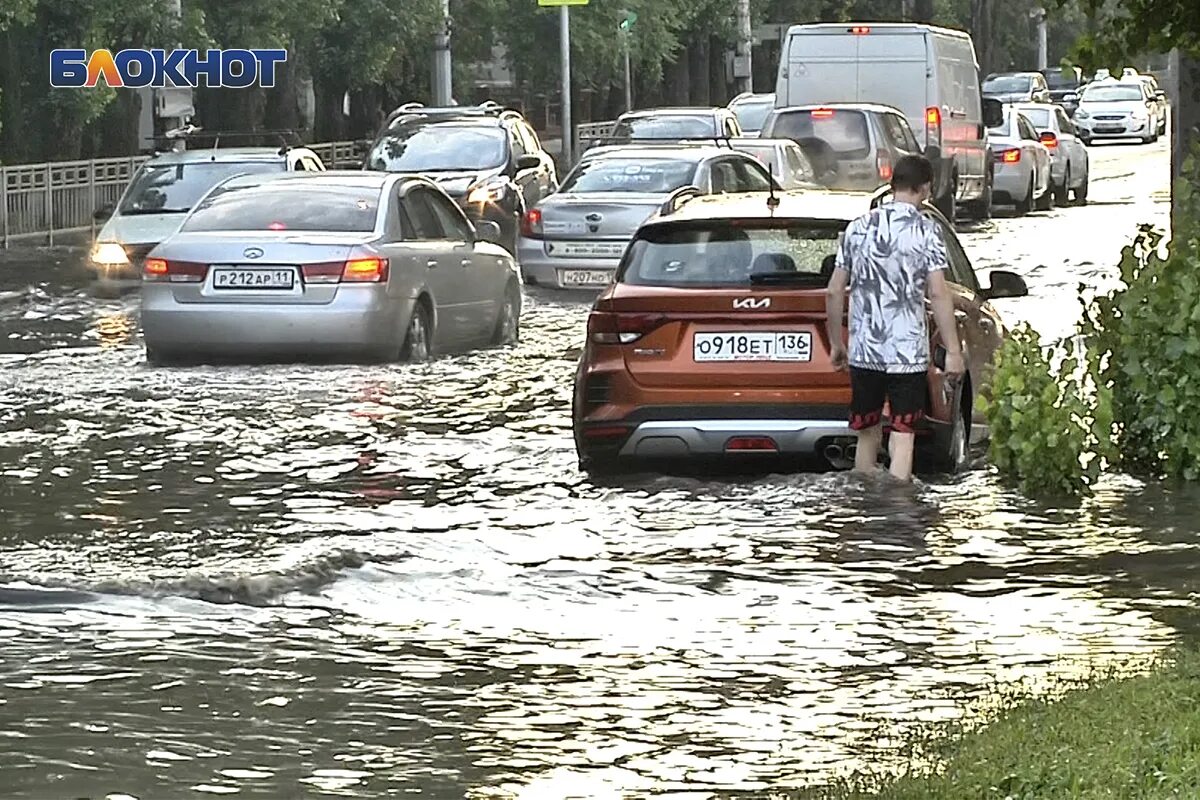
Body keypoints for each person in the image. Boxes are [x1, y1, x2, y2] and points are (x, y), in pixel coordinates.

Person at [824, 154, 965, 482]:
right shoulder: (926, 232)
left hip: (864, 352)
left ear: (892, 185)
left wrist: (836, 343)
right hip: (907, 354)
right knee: (903, 433)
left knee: (867, 430)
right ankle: (897, 511)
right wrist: (954, 351)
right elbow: (939, 293)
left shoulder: (857, 229)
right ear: (926, 188)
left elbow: (833, 292)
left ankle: (863, 504)